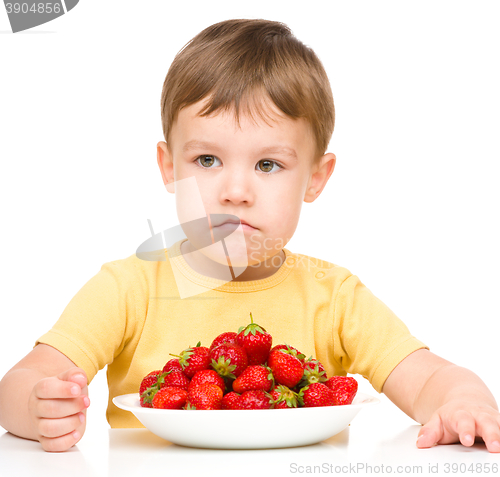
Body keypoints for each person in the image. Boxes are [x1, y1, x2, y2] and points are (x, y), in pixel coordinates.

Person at [0, 18, 499, 453]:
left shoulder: (335, 296)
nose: (235, 191)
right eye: (208, 160)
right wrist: (35, 405)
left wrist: (463, 401)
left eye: (267, 164)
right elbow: (21, 381)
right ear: (169, 168)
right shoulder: (128, 289)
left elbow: (429, 377)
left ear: (316, 178)